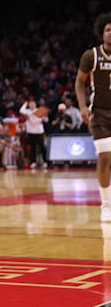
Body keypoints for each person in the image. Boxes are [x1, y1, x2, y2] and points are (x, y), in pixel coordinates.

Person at [77, 12, 111, 220]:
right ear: (101, 33)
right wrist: (82, 106)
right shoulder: (91, 55)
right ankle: (106, 205)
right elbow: (79, 82)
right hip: (99, 114)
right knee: (106, 156)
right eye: (108, 29)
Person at [19, 98, 48, 169]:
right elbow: (21, 110)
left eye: (33, 103)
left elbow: (46, 120)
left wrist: (44, 117)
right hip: (30, 132)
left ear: (35, 104)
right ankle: (33, 162)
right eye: (30, 104)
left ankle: (45, 162)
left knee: (42, 147)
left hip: (39, 131)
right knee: (32, 147)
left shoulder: (39, 110)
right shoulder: (27, 111)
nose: (32, 105)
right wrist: (25, 103)